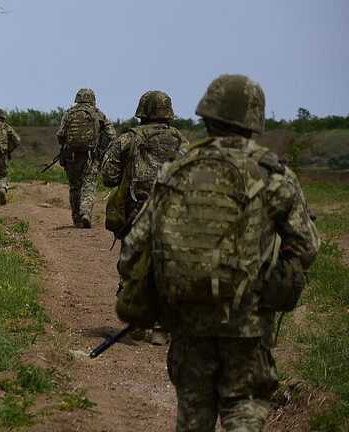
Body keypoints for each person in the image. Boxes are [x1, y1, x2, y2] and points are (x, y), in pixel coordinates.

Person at [117, 74, 319, 431]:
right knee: (243, 405)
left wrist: (146, 296)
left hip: (186, 318)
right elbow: (306, 246)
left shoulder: (177, 171)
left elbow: (136, 244)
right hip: (248, 321)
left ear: (206, 115)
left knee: (194, 411)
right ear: (254, 120)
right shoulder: (273, 175)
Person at [101, 90, 187, 345]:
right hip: (173, 213)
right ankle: (161, 328)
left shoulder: (128, 139)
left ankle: (137, 323)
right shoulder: (182, 141)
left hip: (136, 213)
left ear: (142, 111)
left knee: (133, 266)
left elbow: (108, 176)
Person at [56, 88, 117, 228]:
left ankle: (77, 219)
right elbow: (112, 135)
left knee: (74, 187)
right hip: (91, 156)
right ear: (93, 99)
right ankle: (86, 213)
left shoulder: (69, 113)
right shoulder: (98, 113)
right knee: (88, 185)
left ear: (77, 98)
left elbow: (60, 135)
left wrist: (67, 145)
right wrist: (102, 148)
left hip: (71, 157)